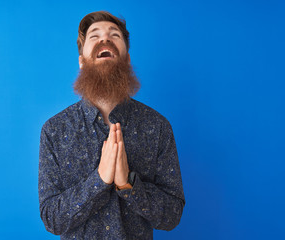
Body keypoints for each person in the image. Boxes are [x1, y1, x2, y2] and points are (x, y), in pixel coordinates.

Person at [38, 11, 185, 239]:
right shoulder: (54, 131)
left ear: (127, 58)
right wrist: (99, 180)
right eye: (94, 36)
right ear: (81, 61)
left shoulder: (157, 126)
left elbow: (172, 215)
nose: (104, 40)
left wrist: (129, 185)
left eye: (114, 35)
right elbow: (52, 219)